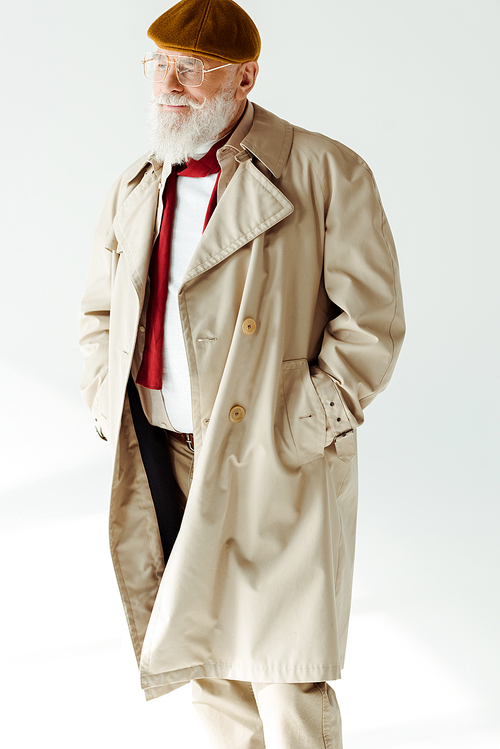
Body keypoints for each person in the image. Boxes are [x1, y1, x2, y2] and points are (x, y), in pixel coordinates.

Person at [79, 0, 405, 746]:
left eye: (191, 70)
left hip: (275, 462)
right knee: (211, 669)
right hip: (169, 454)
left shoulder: (325, 171)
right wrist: (106, 396)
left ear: (245, 77)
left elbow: (374, 320)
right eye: (158, 65)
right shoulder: (137, 184)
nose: (169, 85)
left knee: (288, 673)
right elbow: (99, 311)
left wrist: (305, 420)